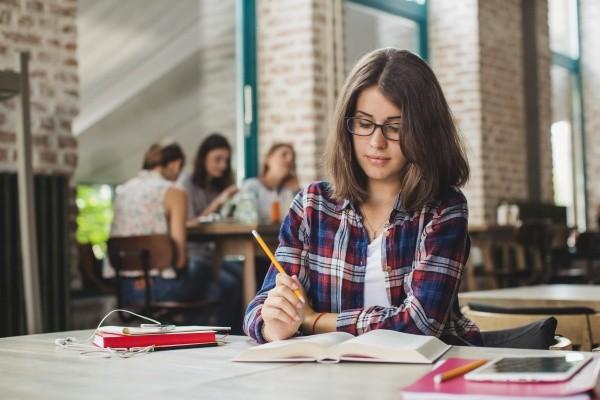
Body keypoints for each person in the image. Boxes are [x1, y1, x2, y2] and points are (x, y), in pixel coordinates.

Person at [243, 48, 482, 346]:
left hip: (425, 377)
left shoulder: (443, 208)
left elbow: (421, 324)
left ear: (424, 132)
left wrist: (313, 320)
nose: (376, 142)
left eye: (395, 128)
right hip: (331, 376)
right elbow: (259, 308)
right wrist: (274, 324)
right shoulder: (312, 205)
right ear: (349, 124)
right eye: (365, 124)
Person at [110, 142, 238, 328]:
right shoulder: (174, 192)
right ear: (175, 164)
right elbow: (179, 260)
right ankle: (203, 342)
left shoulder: (124, 191)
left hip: (126, 289)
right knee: (224, 283)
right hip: (163, 288)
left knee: (221, 281)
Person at [179, 133, 243, 331]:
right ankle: (222, 333)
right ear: (203, 158)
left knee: (242, 275)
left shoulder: (218, 184)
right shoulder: (186, 184)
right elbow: (188, 224)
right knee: (229, 283)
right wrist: (219, 202)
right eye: (217, 159)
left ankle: (234, 332)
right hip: (192, 254)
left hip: (214, 255)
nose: (223, 165)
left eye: (226, 160)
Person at [238, 143, 300, 224]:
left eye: (292, 159)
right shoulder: (252, 186)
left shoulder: (289, 191)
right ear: (268, 158)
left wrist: (296, 191)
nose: (289, 159)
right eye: (284, 154)